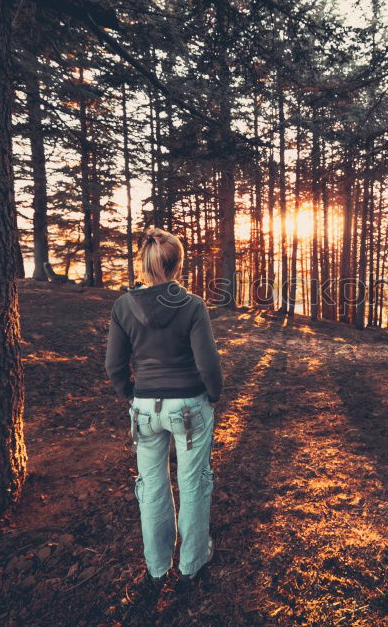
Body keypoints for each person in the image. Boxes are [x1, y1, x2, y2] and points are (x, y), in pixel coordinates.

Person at [105, 228, 223, 590]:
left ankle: (157, 568)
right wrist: (213, 394)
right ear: (178, 265)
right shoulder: (191, 305)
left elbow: (114, 365)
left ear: (144, 262)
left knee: (152, 485)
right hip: (188, 406)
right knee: (192, 483)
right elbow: (207, 364)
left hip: (145, 407)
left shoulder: (123, 305)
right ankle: (191, 565)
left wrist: (132, 396)